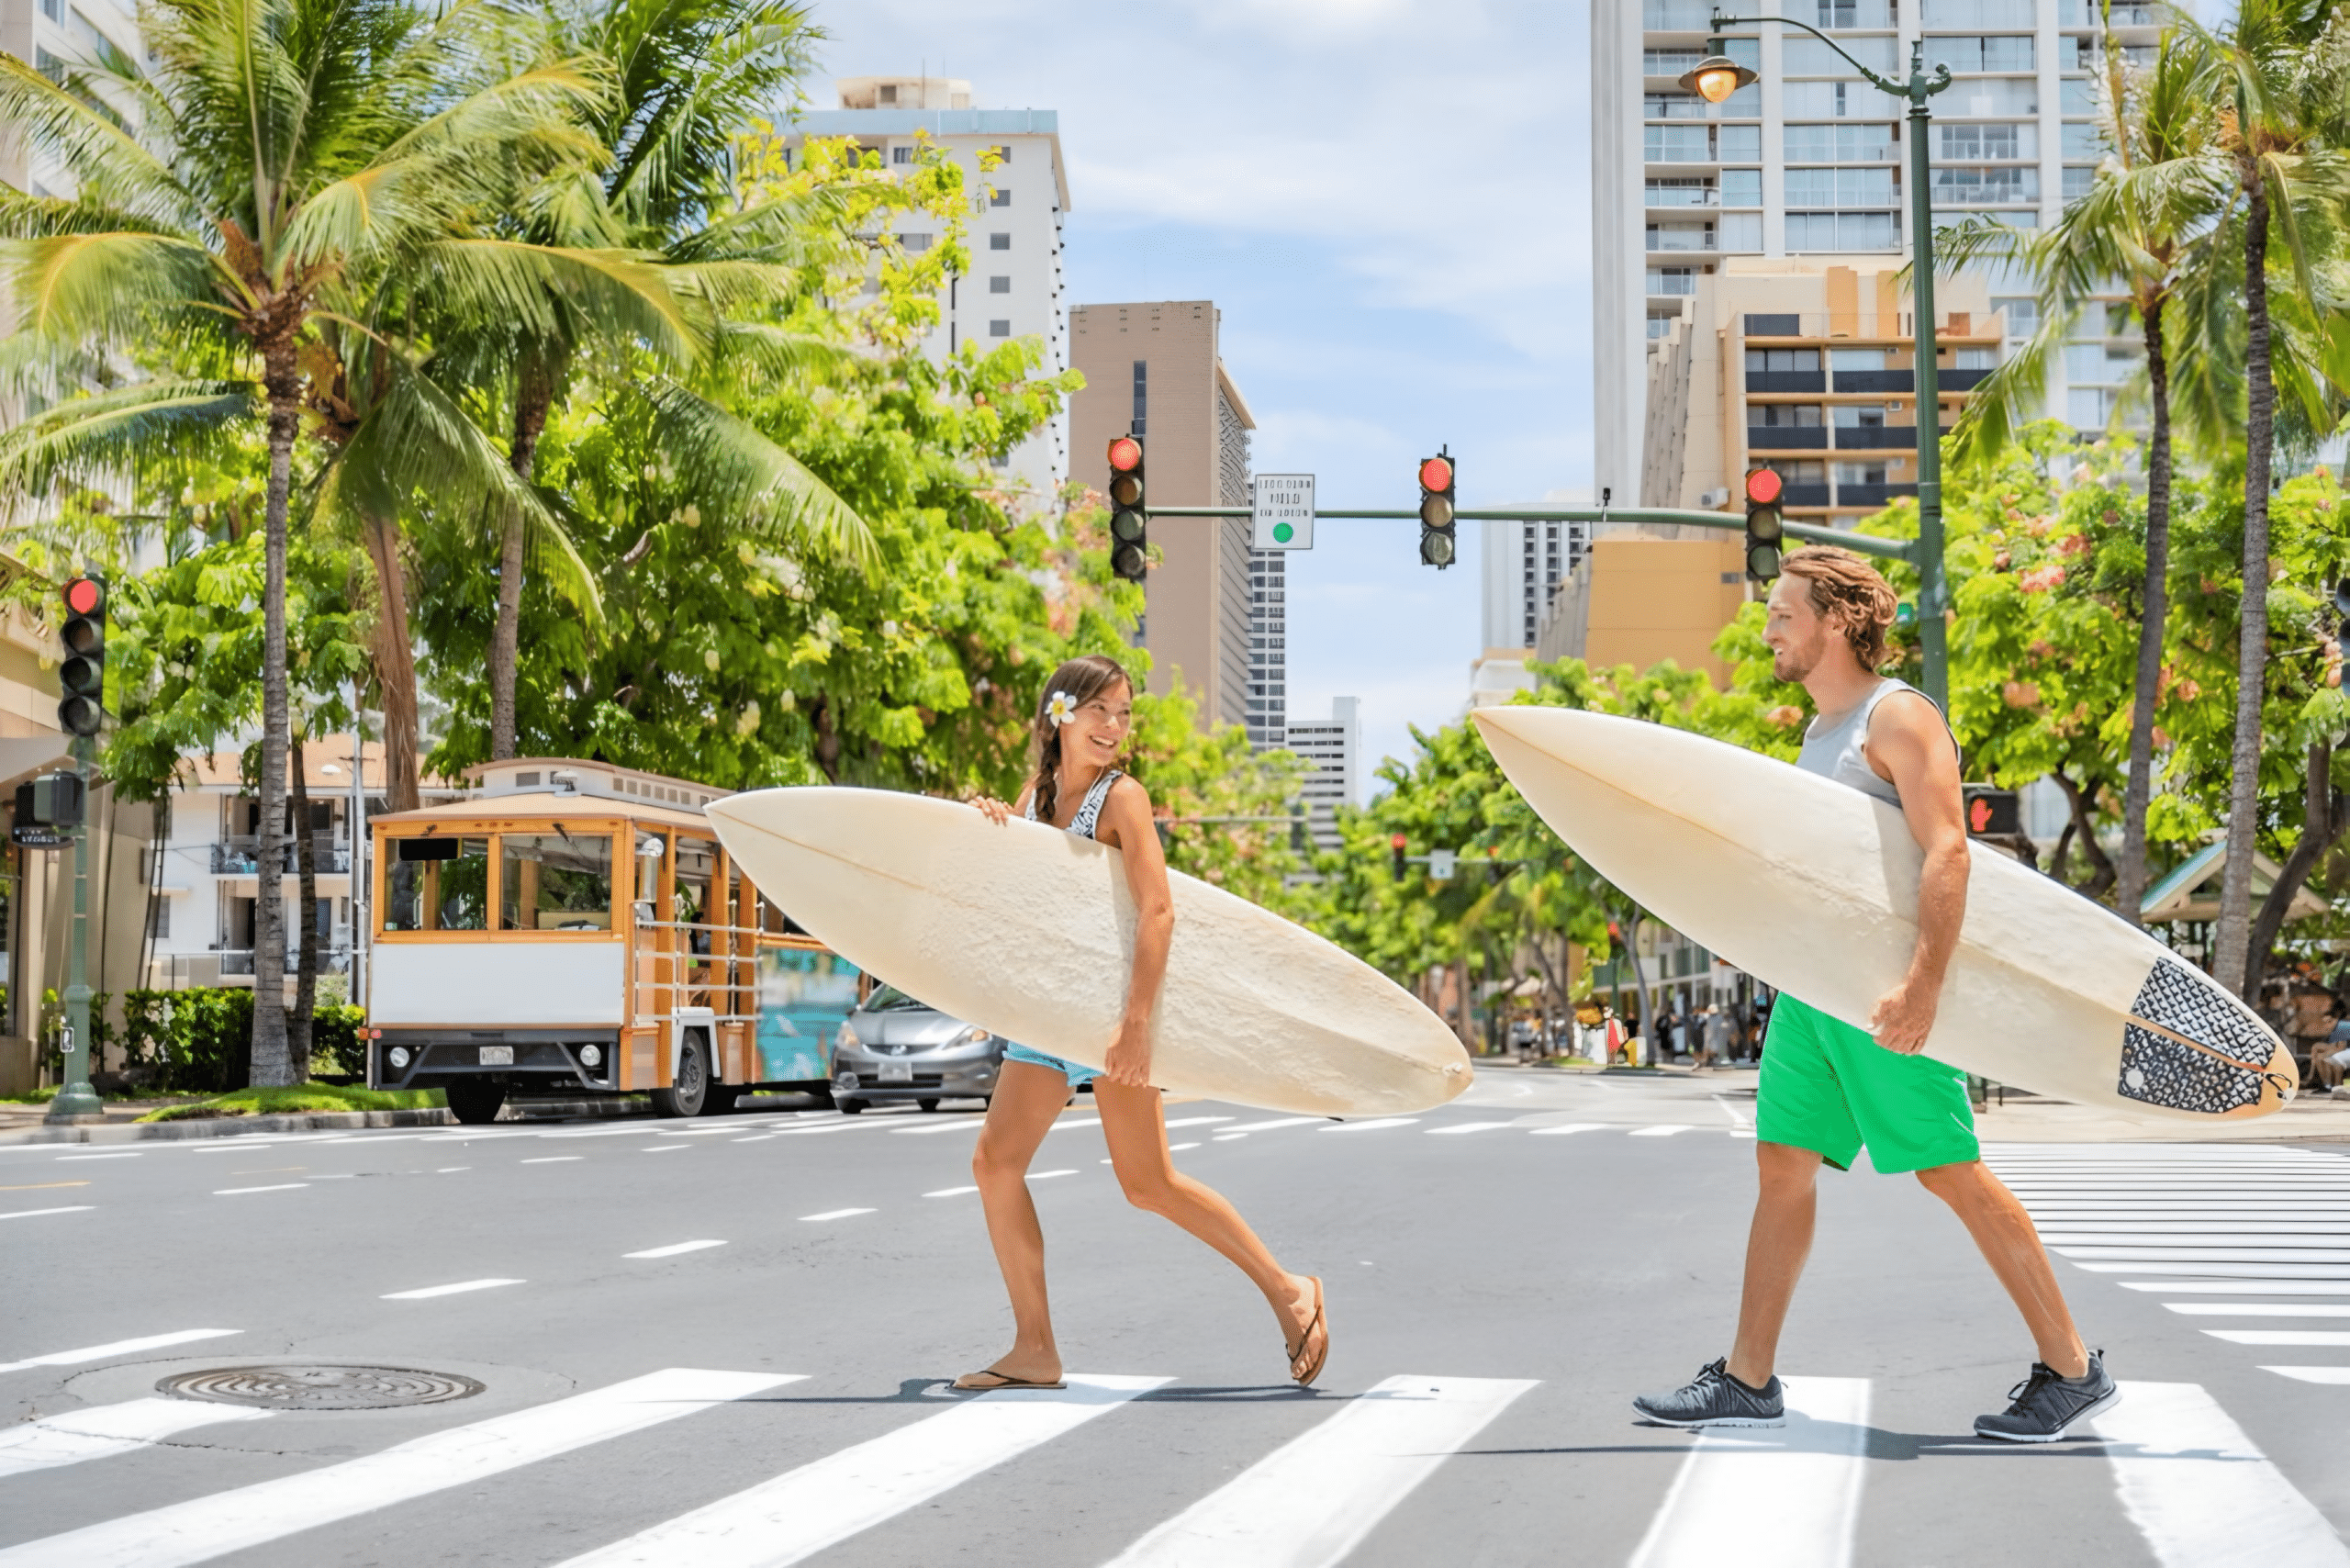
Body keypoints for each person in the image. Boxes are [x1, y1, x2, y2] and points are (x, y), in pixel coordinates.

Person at [1632, 547, 2116, 1442]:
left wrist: (1922, 987)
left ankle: (2072, 1366)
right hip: (1813, 992)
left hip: (1882, 993)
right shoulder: (1821, 732)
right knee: (1780, 1164)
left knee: (1948, 1168)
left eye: (1783, 613)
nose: (1769, 627)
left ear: (1837, 622)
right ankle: (1747, 1378)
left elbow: (1947, 850)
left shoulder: (1896, 718)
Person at [957, 654, 1329, 1392]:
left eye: (1124, 715)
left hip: (1109, 1014)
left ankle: (1291, 1291)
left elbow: (1158, 909)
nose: (1115, 728)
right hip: (1047, 1014)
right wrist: (985, 821)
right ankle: (1034, 1347)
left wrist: (1135, 1025)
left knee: (1148, 1183)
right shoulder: (1034, 796)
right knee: (995, 1165)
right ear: (1059, 714)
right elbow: (1006, 893)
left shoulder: (1122, 798)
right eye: (1101, 711)